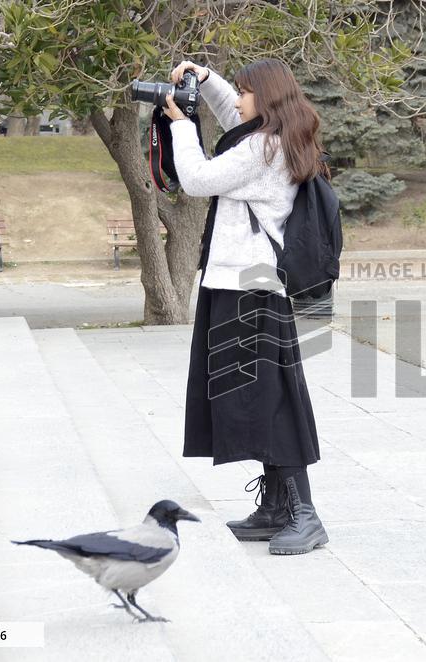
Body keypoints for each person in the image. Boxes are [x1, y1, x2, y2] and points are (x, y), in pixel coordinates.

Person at [164, 59, 329, 555]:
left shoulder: (264, 148)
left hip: (250, 290)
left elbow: (196, 179)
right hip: (240, 284)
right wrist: (205, 76)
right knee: (256, 399)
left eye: (244, 92)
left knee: (273, 401)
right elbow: (231, 115)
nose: (237, 101)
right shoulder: (269, 137)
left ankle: (304, 513)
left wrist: (182, 127)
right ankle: (277, 508)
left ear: (267, 97)